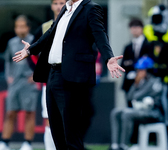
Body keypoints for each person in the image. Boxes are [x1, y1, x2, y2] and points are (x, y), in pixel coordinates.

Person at [13, 0, 125, 149]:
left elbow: (100, 35)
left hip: (71, 76)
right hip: (52, 75)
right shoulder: (66, 9)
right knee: (57, 132)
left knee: (71, 133)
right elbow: (50, 33)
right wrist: (30, 50)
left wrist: (108, 58)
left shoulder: (90, 8)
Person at [0, 15, 39, 150]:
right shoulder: (11, 42)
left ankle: (27, 144)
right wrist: (9, 76)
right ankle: (4, 142)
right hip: (15, 82)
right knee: (10, 112)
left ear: (28, 27)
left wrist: (35, 75)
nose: (19, 29)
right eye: (17, 26)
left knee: (29, 113)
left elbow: (42, 59)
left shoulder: (35, 41)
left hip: (29, 82)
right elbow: (7, 60)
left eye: (22, 26)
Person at [110, 56, 164, 150]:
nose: (138, 72)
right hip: (140, 111)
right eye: (138, 70)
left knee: (127, 114)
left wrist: (138, 84)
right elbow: (129, 97)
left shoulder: (156, 82)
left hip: (153, 113)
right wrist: (136, 84)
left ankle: (124, 145)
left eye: (141, 70)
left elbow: (137, 97)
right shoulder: (139, 82)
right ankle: (115, 145)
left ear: (149, 70)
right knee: (116, 112)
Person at [33, 0, 66, 149]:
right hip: (50, 81)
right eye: (56, 3)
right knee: (49, 117)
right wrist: (40, 71)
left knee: (68, 118)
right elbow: (32, 51)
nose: (59, 6)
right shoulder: (45, 27)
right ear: (52, 6)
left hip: (69, 80)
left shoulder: (74, 23)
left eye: (62, 3)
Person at [121, 18, 149, 101]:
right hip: (129, 83)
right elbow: (123, 64)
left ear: (142, 29)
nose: (134, 30)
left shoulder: (149, 45)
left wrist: (131, 64)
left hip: (145, 83)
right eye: (132, 28)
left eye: (137, 27)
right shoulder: (128, 47)